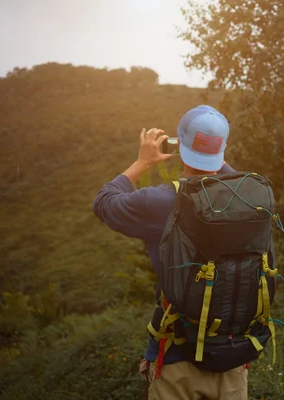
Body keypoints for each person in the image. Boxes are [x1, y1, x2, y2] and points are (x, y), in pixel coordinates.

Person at [93, 105, 250, 400]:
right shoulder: (245, 197)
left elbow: (104, 201)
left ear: (182, 146)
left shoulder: (163, 201)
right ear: (222, 150)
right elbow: (231, 175)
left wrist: (142, 162)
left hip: (177, 364)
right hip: (233, 360)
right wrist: (212, 156)